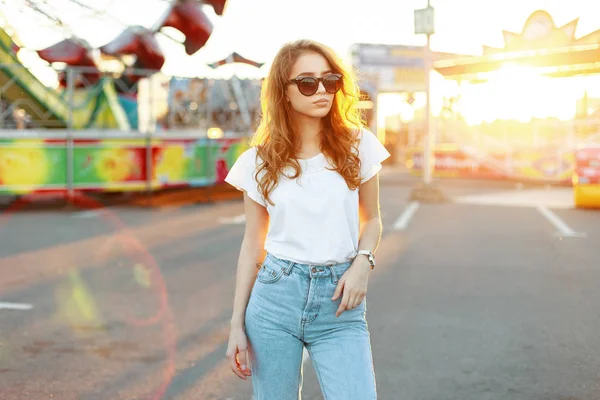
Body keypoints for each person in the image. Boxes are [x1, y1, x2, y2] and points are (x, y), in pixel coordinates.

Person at [224, 39, 390, 400]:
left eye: (329, 80)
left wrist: (364, 261)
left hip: (340, 305)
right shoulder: (257, 163)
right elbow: (253, 243)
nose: (322, 91)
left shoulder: (359, 145)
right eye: (307, 82)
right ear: (283, 93)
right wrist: (236, 324)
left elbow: (372, 220)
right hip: (275, 300)